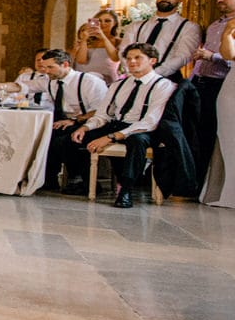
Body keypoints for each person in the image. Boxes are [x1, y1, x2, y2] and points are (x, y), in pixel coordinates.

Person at [71, 42, 177, 208]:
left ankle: (126, 190)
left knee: (137, 141)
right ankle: (85, 182)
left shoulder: (164, 85)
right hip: (118, 124)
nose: (132, 62)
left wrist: (111, 137)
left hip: (145, 130)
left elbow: (150, 121)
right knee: (73, 137)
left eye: (137, 58)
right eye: (129, 58)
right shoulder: (118, 85)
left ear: (153, 60)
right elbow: (103, 114)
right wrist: (86, 127)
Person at [191, 0, 235, 183]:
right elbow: (232, 52)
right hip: (212, 82)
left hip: (228, 81)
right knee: (207, 134)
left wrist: (213, 56)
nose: (219, 0)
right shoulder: (220, 24)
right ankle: (201, 181)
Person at [201, 0, 235, 210]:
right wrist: (228, 33)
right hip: (234, 90)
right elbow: (228, 55)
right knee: (231, 137)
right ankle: (230, 192)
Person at [34, 48, 109, 193]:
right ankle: (48, 179)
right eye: (45, 67)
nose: (46, 71)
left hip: (93, 123)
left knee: (65, 140)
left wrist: (75, 120)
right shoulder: (52, 81)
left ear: (65, 65)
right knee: (42, 134)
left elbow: (101, 110)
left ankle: (83, 181)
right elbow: (27, 86)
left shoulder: (89, 82)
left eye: (50, 67)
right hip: (66, 122)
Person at [122, 0, 202, 81]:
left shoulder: (189, 27)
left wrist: (151, 74)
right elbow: (124, 50)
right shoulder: (136, 26)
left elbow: (183, 57)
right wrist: (131, 71)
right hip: (134, 77)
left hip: (166, 78)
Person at [73, 9, 122, 83]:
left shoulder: (118, 41)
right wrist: (84, 40)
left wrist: (103, 36)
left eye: (107, 21)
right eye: (99, 21)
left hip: (107, 80)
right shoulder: (88, 40)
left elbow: (115, 58)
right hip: (84, 79)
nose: (102, 24)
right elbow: (81, 61)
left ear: (115, 23)